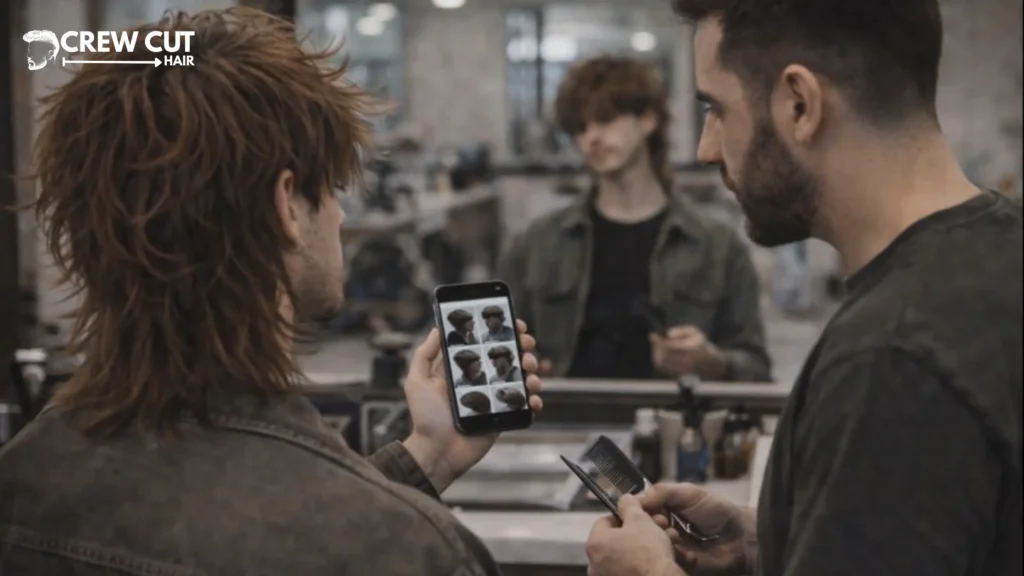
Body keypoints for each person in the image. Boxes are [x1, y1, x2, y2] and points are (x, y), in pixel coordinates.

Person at [0, 9, 545, 575]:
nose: (337, 215)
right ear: (287, 204)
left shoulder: (20, 481)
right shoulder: (417, 553)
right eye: (332, 188)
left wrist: (425, 458)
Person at [585, 1, 1022, 575]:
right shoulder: (1000, 249)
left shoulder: (891, 361)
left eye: (717, 109)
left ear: (800, 104)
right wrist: (771, 536)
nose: (706, 148)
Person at [500, 56, 770, 383]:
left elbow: (756, 372)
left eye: (605, 120)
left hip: (669, 425)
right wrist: (523, 369)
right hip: (566, 425)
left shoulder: (718, 247)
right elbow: (501, 353)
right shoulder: (538, 244)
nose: (592, 138)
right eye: (580, 128)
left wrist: (711, 362)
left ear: (647, 119)